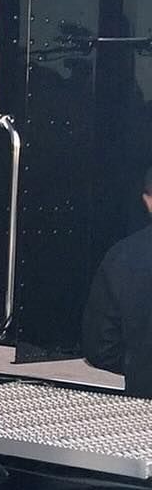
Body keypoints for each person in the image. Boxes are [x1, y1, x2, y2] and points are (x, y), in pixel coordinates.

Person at [82, 169, 152, 398]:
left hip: (143, 405)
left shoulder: (122, 257)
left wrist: (140, 366)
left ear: (147, 201)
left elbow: (100, 348)